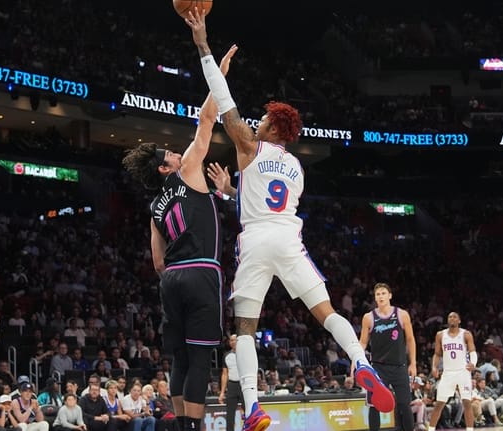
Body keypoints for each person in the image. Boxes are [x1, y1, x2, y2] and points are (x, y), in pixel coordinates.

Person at [185, 9, 394, 430]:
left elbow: (225, 106)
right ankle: (359, 362)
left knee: (245, 328)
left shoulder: (251, 148)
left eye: (263, 120)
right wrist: (232, 191)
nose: (257, 122)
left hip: (257, 241)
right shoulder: (297, 169)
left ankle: (253, 407)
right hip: (289, 239)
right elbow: (270, 200)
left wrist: (204, 46)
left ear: (275, 128)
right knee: (327, 312)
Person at [121, 44, 236, 431]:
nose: (176, 152)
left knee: (180, 360)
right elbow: (207, 119)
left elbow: (156, 262)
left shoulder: (153, 208)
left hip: (170, 279)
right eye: (170, 152)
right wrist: (218, 75)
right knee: (201, 359)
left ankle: (179, 426)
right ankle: (193, 428)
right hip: (201, 270)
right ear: (164, 167)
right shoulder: (187, 169)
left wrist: (175, 278)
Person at [360, 283, 417, 431]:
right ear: (375, 298)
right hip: (378, 368)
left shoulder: (402, 314)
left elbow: (410, 339)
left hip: (400, 366)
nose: (381, 296)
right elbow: (363, 342)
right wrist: (357, 360)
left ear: (390, 295)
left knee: (405, 404)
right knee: (374, 405)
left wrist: (413, 363)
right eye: (378, 294)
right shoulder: (368, 317)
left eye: (383, 293)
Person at [427, 312, 477, 431]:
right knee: (439, 403)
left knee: (467, 403)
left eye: (455, 317)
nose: (452, 318)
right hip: (448, 373)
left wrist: (473, 363)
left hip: (463, 372)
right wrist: (434, 367)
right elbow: (437, 354)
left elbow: (472, 351)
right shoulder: (440, 335)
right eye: (450, 317)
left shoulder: (466, 334)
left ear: (459, 321)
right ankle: (431, 429)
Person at [219, 334, 241, 431]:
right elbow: (224, 374)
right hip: (232, 385)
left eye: (234, 340)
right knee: (230, 414)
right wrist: (222, 392)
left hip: (243, 385)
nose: (232, 342)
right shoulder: (226, 355)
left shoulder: (245, 354)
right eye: (231, 340)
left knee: (249, 412)